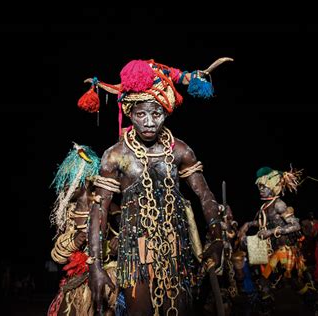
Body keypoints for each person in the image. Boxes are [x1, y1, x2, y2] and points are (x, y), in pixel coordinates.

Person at [79, 58, 233, 315]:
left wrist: (217, 238)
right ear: (130, 112)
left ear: (166, 111)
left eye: (157, 113)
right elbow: (100, 209)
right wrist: (94, 266)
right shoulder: (116, 155)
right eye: (141, 114)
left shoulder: (180, 150)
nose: (149, 122)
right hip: (134, 252)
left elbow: (204, 194)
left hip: (176, 249)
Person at [237, 166, 318, 316]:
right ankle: (267, 309)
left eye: (263, 186)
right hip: (273, 252)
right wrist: (248, 224)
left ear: (273, 186)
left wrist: (272, 232)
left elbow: (295, 225)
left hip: (284, 253)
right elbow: (263, 223)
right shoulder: (264, 207)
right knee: (264, 283)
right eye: (259, 186)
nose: (260, 189)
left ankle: (315, 303)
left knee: (294, 282)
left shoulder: (279, 204)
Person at [47, 143, 120, 316]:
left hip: (107, 274)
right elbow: (57, 256)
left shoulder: (107, 206)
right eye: (63, 180)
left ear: (85, 179)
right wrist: (73, 241)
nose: (65, 186)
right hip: (76, 280)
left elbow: (128, 231)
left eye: (69, 180)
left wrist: (118, 243)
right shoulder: (67, 213)